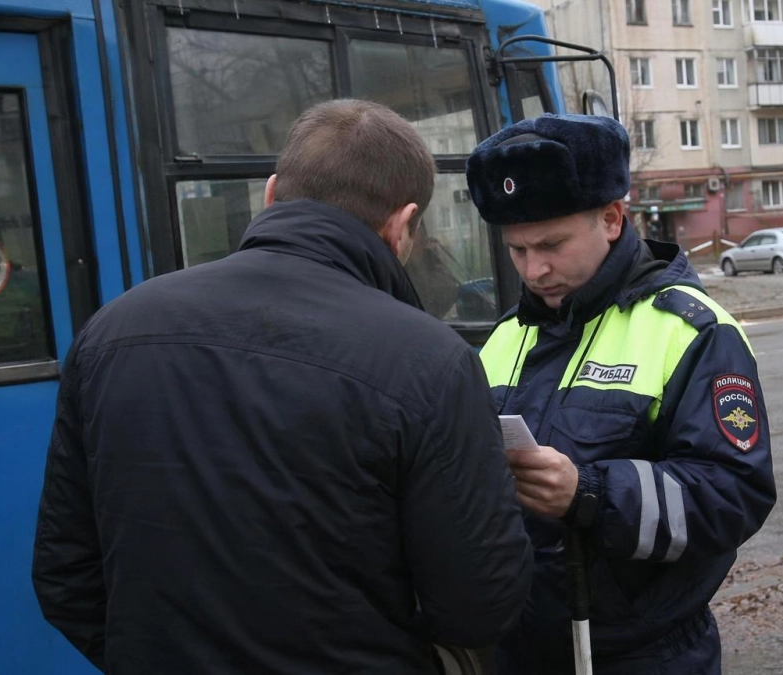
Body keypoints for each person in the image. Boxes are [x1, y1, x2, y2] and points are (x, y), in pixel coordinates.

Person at [32, 99, 532, 674]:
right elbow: (479, 605)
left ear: (271, 194)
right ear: (401, 225)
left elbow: (65, 575)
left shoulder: (111, 330)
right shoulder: (430, 360)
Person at [464, 113, 777, 674]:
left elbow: (735, 495)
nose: (534, 269)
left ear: (612, 219)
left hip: (643, 657)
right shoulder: (507, 335)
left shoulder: (694, 332)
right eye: (516, 250)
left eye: (551, 244)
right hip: (516, 649)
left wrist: (591, 494)